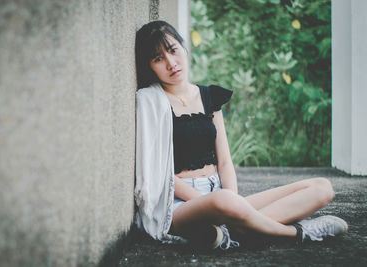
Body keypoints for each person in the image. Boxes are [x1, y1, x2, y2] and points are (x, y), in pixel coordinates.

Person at [134, 20, 348, 250]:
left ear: (183, 48)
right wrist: (223, 204)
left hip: (219, 195)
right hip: (177, 204)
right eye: (158, 59)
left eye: (173, 50)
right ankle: (297, 233)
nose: (171, 63)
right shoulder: (151, 102)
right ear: (150, 67)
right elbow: (158, 173)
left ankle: (235, 228)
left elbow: (224, 161)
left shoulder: (209, 96)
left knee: (322, 188)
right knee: (224, 201)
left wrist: (232, 202)